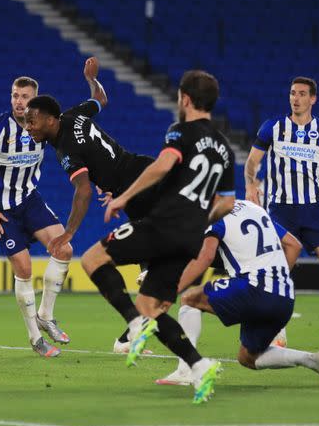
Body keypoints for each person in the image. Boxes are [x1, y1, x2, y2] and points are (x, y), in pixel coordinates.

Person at [86, 70, 235, 403]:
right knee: (151, 306)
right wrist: (200, 219)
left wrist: (123, 197)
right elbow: (227, 202)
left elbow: (162, 165)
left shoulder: (180, 132)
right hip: (191, 237)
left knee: (92, 259)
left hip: (163, 224)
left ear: (185, 98)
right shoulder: (225, 147)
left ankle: (134, 326)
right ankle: (199, 367)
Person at [23, 57, 159, 354]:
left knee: (171, 242)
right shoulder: (72, 115)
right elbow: (100, 98)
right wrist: (92, 80)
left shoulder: (65, 148)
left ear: (49, 119)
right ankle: (129, 335)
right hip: (135, 176)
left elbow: (83, 192)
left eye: (31, 121)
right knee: (161, 255)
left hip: (135, 185)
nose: (28, 128)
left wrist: (68, 233)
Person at [156, 199, 319, 388]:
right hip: (284, 296)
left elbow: (205, 256)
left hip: (253, 287)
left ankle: (186, 370)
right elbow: (294, 245)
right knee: (248, 357)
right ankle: (311, 360)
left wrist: (170, 288)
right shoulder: (253, 207)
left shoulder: (214, 214)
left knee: (189, 299)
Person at [244, 77, 319, 347]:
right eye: (292, 93)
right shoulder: (273, 128)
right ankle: (278, 329)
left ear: (313, 99)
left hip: (313, 210)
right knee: (280, 269)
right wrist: (251, 185)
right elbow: (252, 162)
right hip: (280, 210)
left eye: (301, 94)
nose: (295, 98)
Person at [0, 70, 84, 357]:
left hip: (30, 201)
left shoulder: (43, 128)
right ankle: (35, 338)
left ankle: (45, 315)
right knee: (24, 268)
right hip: (3, 209)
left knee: (64, 249)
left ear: (35, 101)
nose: (19, 101)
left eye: (25, 97)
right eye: (15, 95)